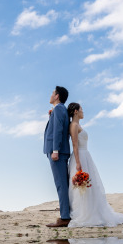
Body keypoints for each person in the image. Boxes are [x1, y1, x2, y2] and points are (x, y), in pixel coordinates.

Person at [67, 103, 123, 227]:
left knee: (90, 185)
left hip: (86, 156)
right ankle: (82, 212)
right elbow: (74, 145)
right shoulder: (73, 125)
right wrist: (78, 163)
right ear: (75, 111)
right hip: (80, 157)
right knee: (80, 186)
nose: (83, 112)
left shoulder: (78, 125)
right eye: (81, 110)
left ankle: (93, 210)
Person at [43, 86, 71, 228]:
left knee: (61, 185)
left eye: (52, 93)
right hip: (59, 151)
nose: (50, 95)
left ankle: (65, 217)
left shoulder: (59, 109)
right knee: (63, 184)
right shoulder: (59, 110)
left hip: (57, 153)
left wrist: (55, 150)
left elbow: (58, 130)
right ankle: (66, 214)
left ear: (57, 96)